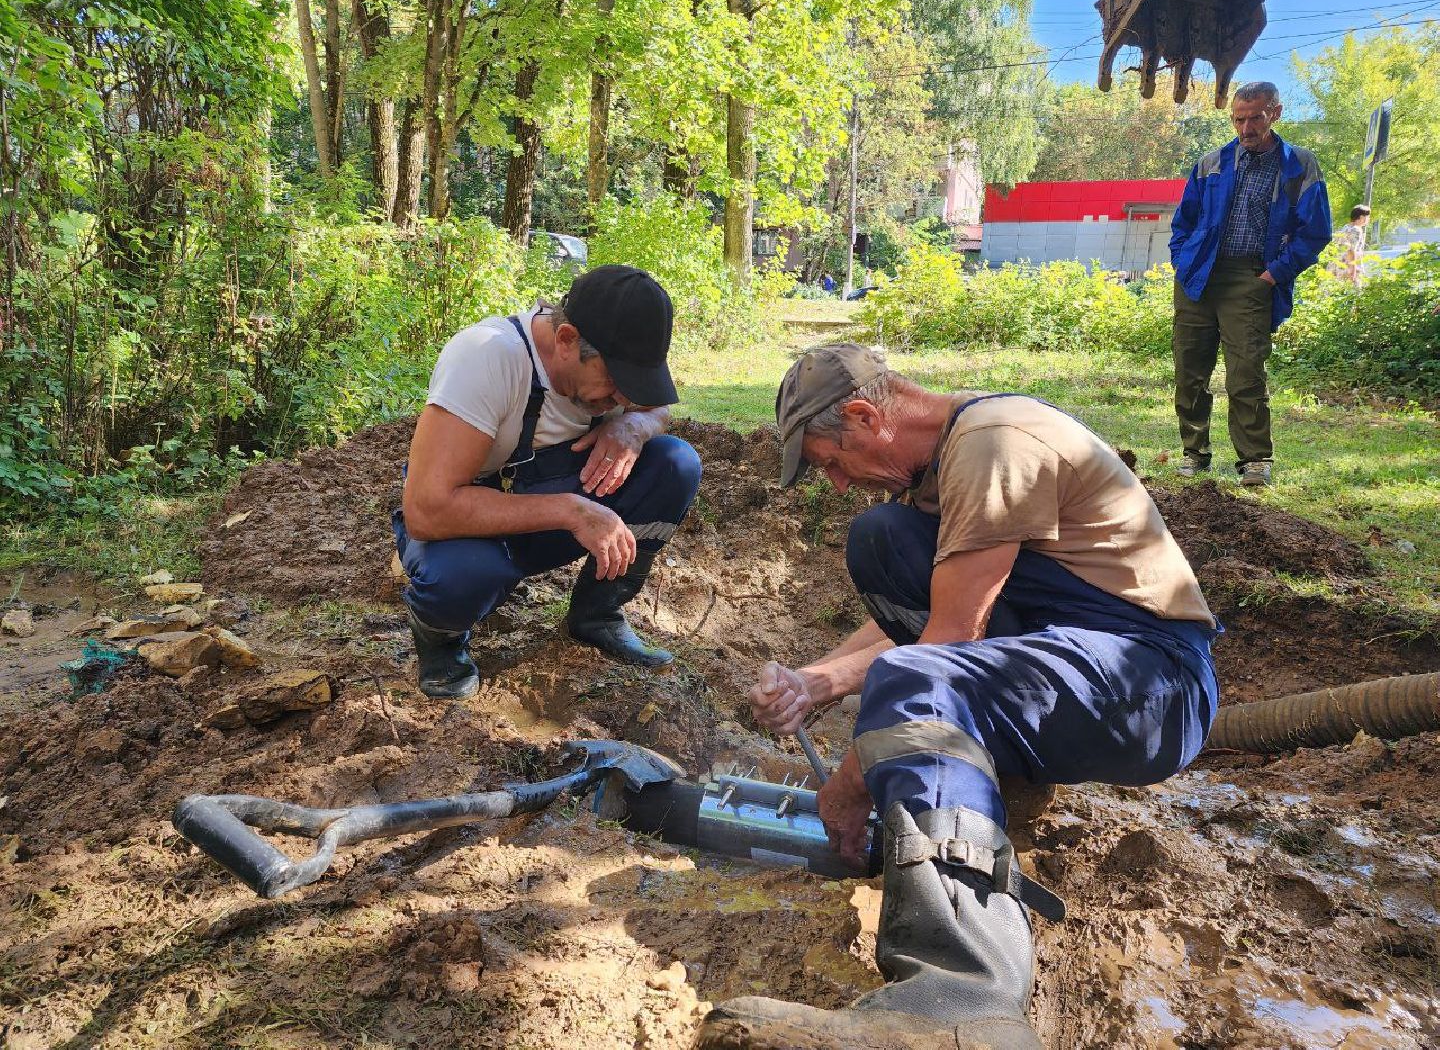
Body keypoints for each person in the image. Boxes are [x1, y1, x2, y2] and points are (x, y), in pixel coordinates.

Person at [699, 344, 1219, 1049]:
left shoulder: (994, 444)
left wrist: (849, 785)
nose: (837, 483)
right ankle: (977, 802)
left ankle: (964, 1001)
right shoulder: (936, 472)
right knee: (885, 541)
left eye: (830, 461)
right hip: (1079, 657)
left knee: (917, 682)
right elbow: (948, 608)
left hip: (1151, 682)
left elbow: (946, 642)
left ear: (865, 417)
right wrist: (816, 679)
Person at [392, 265, 701, 700]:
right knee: (466, 575)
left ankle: (598, 614)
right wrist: (570, 510)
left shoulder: (611, 376)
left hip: (550, 509)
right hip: (463, 527)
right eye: (616, 383)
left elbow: (655, 410)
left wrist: (634, 426)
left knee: (674, 464)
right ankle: (441, 639)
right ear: (567, 339)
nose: (624, 398)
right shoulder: (487, 357)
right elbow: (427, 509)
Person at [1170, 80, 1331, 488]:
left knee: (1245, 374)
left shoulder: (1299, 165)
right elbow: (1183, 222)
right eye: (1238, 119)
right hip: (1197, 277)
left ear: (1275, 113)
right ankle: (1193, 452)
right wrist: (1182, 262)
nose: (1246, 128)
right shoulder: (1211, 162)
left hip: (1252, 277)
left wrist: (1273, 274)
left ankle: (1255, 460)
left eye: (1255, 118)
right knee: (1189, 370)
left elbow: (1315, 232)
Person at [1337, 204, 1370, 285]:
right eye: (1367, 217)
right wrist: (1353, 270)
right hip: (1349, 267)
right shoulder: (1356, 230)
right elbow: (1351, 250)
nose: (1368, 219)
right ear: (1362, 217)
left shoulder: (1346, 227)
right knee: (1355, 290)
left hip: (1340, 265)